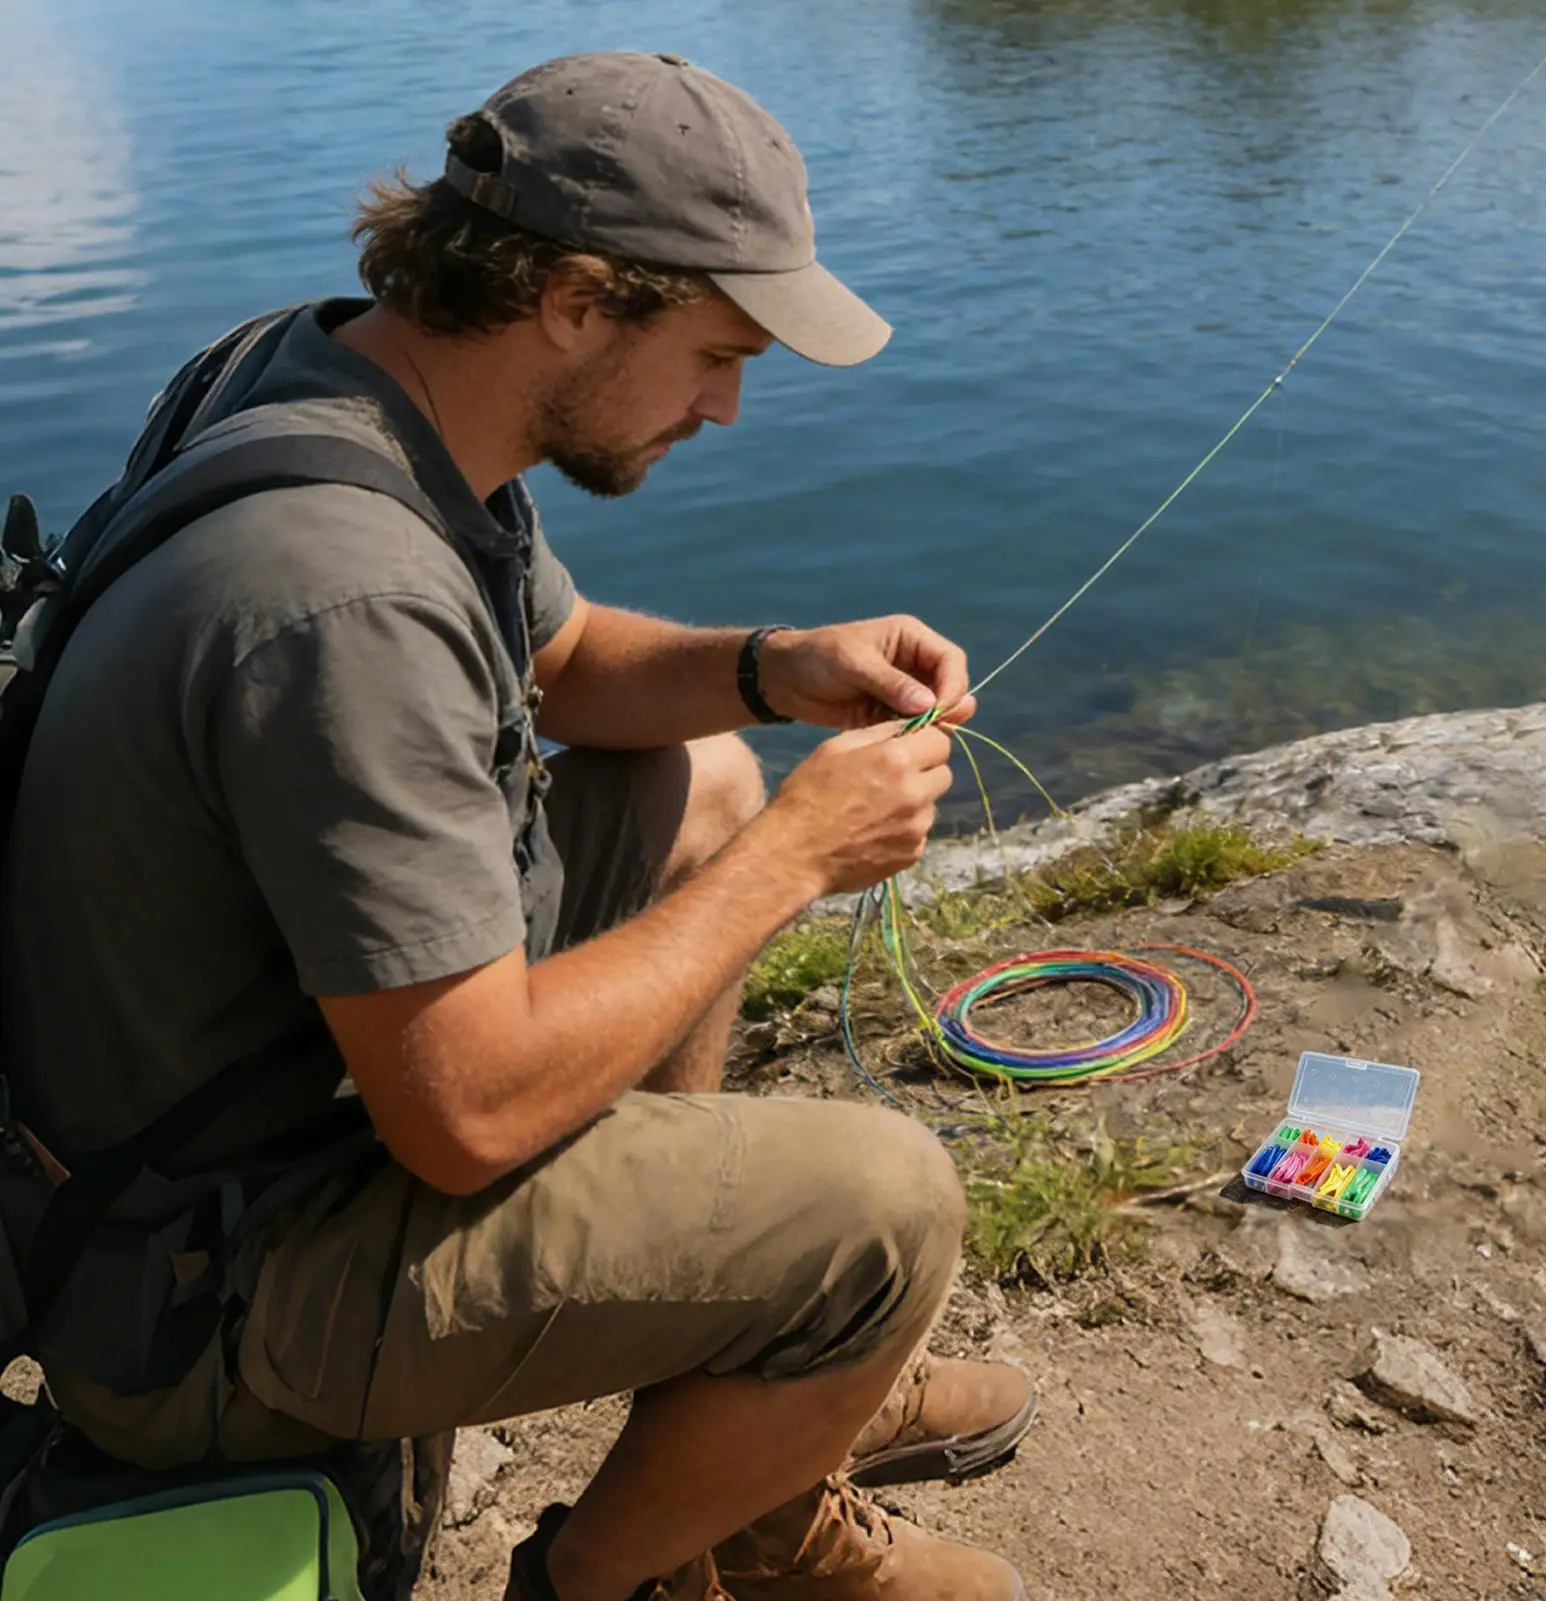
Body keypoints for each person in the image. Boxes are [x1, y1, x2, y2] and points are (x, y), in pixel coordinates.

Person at [0, 51, 1034, 1601]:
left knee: (703, 779)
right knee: (884, 1211)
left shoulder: (345, 373)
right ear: (569, 296)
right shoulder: (341, 599)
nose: (729, 407)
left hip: (236, 1140)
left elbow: (556, 666)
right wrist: (798, 863)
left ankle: (739, 1450)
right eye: (714, 350)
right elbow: (465, 1118)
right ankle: (617, 1576)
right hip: (201, 1294)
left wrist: (768, 670)